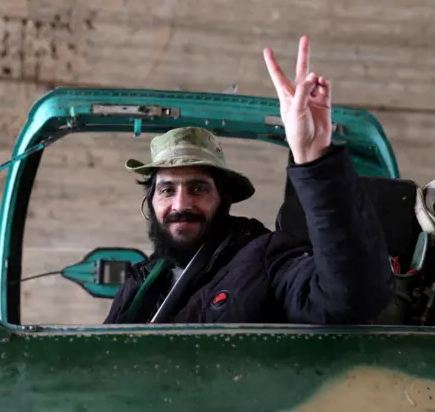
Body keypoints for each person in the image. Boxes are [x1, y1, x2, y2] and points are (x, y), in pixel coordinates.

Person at [105, 36, 394, 325]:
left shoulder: (266, 259)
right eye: (167, 190)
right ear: (150, 202)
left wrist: (313, 157)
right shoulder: (139, 281)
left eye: (198, 188)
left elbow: (349, 298)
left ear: (224, 198)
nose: (182, 203)